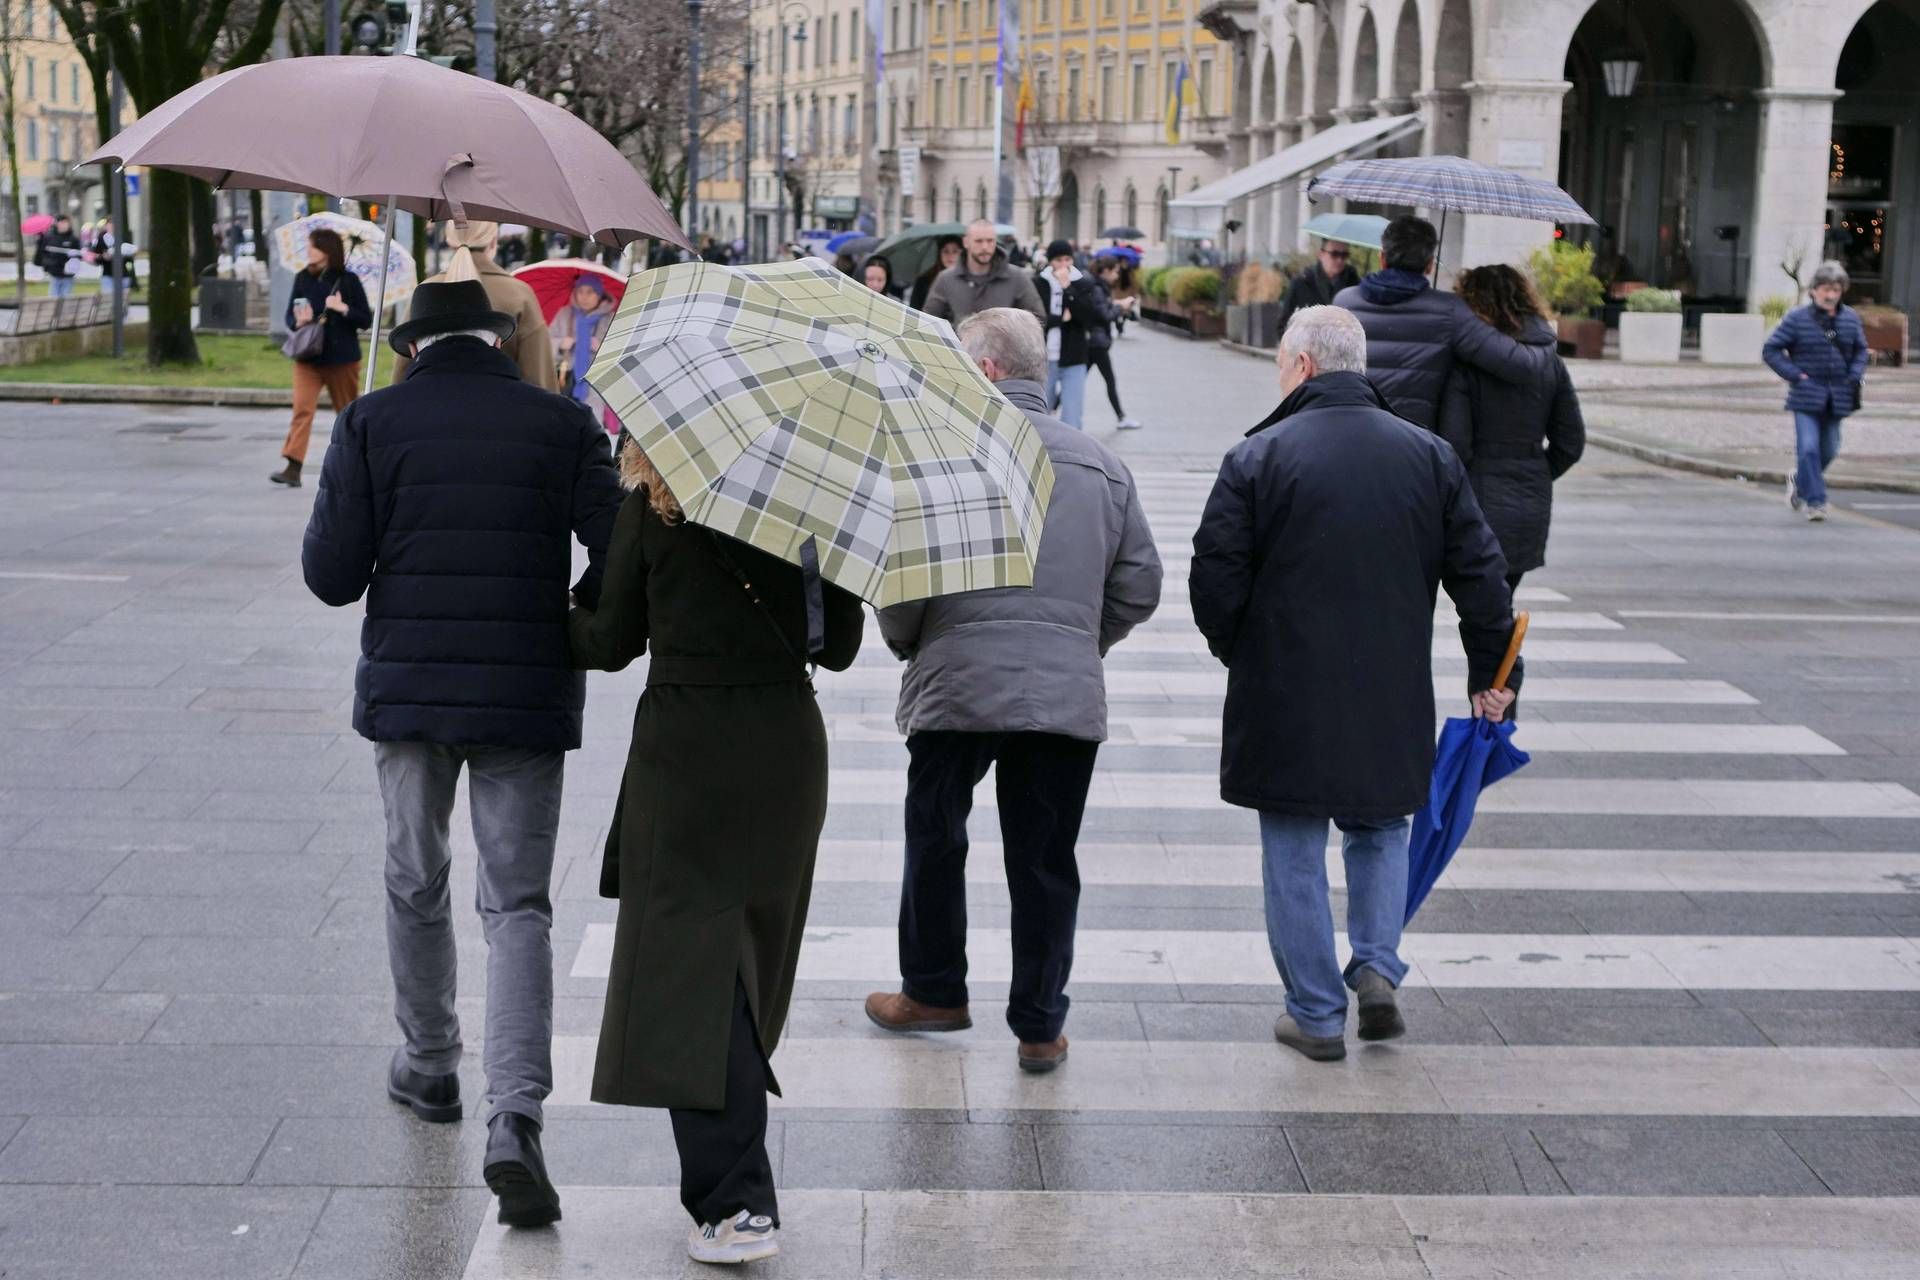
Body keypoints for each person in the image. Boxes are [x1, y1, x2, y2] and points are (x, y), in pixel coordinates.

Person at [301, 251, 625, 1229]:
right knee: (517, 903)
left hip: (410, 690)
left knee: (416, 875)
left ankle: (431, 1062)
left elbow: (332, 577)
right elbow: (620, 550)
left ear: (409, 347)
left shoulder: (372, 421)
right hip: (524, 688)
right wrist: (568, 611)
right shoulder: (563, 423)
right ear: (500, 339)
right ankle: (514, 1115)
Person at [1188, 306, 1519, 1064]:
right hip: (1390, 685)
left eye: (1281, 364)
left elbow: (1214, 576)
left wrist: (1242, 651)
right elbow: (1482, 577)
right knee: (1380, 828)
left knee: (1293, 843)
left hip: (1285, 687)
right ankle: (1375, 965)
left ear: (1303, 366)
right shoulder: (1429, 456)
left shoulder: (1258, 456)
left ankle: (1314, 1013)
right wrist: (1493, 674)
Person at [567, 442, 865, 1266]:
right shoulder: (814, 505)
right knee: (749, 955)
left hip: (688, 752)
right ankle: (736, 1184)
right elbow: (840, 646)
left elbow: (610, 640)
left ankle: (737, 1203)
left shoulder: (653, 510)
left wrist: (561, 611)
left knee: (689, 970)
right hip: (785, 746)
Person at [865, 307, 1161, 1073]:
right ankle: (1039, 1025)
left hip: (956, 682)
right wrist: (1080, 640)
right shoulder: (1102, 465)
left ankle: (934, 991)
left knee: (935, 837)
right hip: (1063, 692)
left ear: (986, 370)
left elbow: (899, 583)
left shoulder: (939, 454)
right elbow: (1140, 585)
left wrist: (914, 643)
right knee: (1044, 859)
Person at [1437, 264, 1586, 592]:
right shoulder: (1550, 361)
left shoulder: (1467, 363)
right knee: (1501, 603)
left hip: (1476, 501)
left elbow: (1455, 444)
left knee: (1478, 606)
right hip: (1530, 500)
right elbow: (1571, 441)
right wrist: (1538, 471)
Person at [1334, 215, 1534, 430]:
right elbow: (1519, 365)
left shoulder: (1344, 302)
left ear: (1382, 258)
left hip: (1349, 431)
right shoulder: (1451, 311)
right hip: (1414, 440)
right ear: (1430, 265)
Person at [391, 221, 558, 390]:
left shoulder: (425, 292)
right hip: (502, 402)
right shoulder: (519, 294)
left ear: (449, 240)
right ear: (494, 241)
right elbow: (538, 374)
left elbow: (403, 371)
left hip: (429, 401)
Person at [1762, 260, 1868, 523]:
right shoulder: (1797, 318)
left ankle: (1800, 481)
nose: (1830, 295)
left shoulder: (1850, 318)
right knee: (1808, 449)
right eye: (1825, 289)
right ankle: (1816, 501)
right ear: (1813, 290)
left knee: (1829, 450)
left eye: (1836, 290)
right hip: (1806, 395)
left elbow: (1860, 350)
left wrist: (1854, 375)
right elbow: (1771, 350)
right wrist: (1796, 375)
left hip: (1838, 396)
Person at [270, 228, 373, 489]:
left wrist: (342, 308)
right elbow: (289, 316)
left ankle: (359, 465)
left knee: (347, 414)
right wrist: (298, 321)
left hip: (342, 359)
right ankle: (293, 467)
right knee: (301, 410)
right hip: (308, 357)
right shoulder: (303, 277)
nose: (308, 250)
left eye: (312, 246)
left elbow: (365, 319)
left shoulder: (348, 280)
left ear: (327, 250)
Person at [1031, 239, 1102, 429]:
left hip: (1074, 356)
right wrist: (1060, 319)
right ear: (1050, 261)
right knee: (1040, 414)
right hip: (1043, 357)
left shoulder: (1083, 282)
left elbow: (1087, 317)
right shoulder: (1039, 282)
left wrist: (1067, 288)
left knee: (1072, 417)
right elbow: (1035, 318)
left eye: (1067, 259)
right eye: (1058, 260)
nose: (1064, 265)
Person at [922, 219, 1045, 324]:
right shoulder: (946, 279)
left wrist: (1007, 331)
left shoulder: (1017, 277)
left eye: (990, 241)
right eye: (979, 241)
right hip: (960, 344)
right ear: (966, 242)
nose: (985, 247)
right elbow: (928, 321)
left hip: (1004, 345)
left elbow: (1038, 319)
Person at [1087, 256, 1141, 429]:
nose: (1117, 275)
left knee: (1078, 380)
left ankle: (1050, 409)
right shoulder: (1098, 288)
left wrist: (1116, 303)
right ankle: (1121, 417)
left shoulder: (1098, 286)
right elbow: (1105, 315)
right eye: (1115, 271)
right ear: (1106, 271)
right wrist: (1120, 307)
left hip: (1094, 341)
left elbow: (1102, 307)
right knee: (1109, 380)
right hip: (1097, 343)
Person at [550, 274, 615, 406]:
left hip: (596, 385)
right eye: (580, 291)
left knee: (591, 416)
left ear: (599, 295)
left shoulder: (611, 319)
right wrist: (560, 344)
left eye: (590, 292)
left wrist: (602, 349)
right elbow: (544, 344)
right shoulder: (565, 314)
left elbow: (621, 352)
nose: (584, 297)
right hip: (564, 380)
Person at [1276, 238, 1361, 337]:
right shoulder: (1301, 282)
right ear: (1321, 254)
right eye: (1334, 254)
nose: (1340, 260)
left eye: (1344, 255)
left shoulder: (1353, 284)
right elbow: (1283, 325)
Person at [908, 236, 963, 311]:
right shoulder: (924, 281)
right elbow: (914, 309)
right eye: (946, 251)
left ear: (961, 254)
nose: (950, 256)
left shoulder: (969, 280)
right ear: (939, 254)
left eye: (955, 251)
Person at [34, 216, 82, 298]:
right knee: (53, 297)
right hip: (54, 273)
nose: (64, 225)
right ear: (57, 224)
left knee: (67, 297)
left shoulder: (73, 239)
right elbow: (42, 253)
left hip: (68, 274)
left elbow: (79, 254)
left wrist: (74, 256)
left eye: (66, 223)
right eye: (62, 223)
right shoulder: (49, 237)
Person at [88, 218, 135, 295]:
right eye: (109, 224)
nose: (111, 226)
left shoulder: (123, 236)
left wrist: (122, 255)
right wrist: (103, 257)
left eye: (113, 224)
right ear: (106, 226)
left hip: (123, 275)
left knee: (123, 299)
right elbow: (96, 257)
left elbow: (130, 256)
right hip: (108, 275)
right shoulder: (101, 238)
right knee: (108, 298)